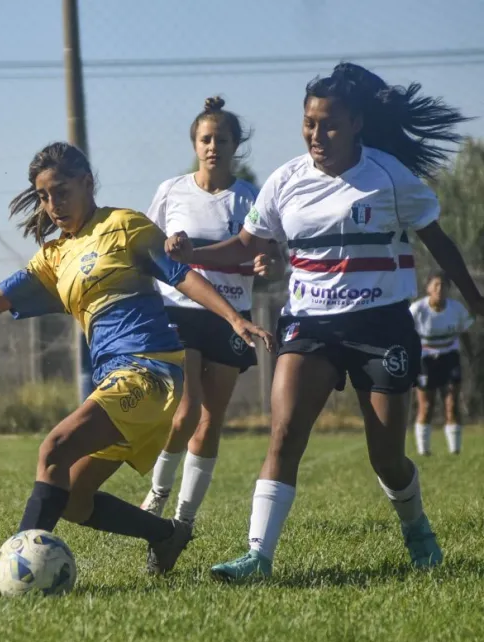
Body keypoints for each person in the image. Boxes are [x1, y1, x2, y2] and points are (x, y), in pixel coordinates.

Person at [0, 142, 274, 592]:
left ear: (87, 183)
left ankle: (3, 571)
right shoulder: (54, 256)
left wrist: (234, 317)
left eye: (60, 191)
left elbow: (181, 274)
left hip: (149, 371)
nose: (52, 204)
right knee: (74, 499)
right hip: (117, 380)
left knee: (54, 448)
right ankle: (166, 535)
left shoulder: (124, 225)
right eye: (43, 196)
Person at [165, 63, 479, 581]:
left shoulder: (390, 177)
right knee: (284, 434)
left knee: (387, 459)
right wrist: (193, 253)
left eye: (329, 123)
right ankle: (258, 557)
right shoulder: (286, 181)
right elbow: (248, 246)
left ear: (356, 123)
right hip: (310, 325)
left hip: (380, 327)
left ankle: (417, 526)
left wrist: (475, 298)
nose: (316, 134)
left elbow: (439, 243)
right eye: (309, 122)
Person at [139, 97, 265, 527]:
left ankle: (184, 519)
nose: (213, 146)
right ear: (195, 144)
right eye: (206, 139)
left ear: (236, 145)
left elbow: (268, 255)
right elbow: (149, 247)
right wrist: (169, 247)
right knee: (186, 410)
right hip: (181, 310)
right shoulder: (172, 190)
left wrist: (267, 264)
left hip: (232, 313)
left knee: (211, 420)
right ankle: (155, 496)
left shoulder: (250, 198)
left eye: (222, 139)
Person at [410, 272, 475, 455]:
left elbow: (465, 333)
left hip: (450, 357)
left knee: (452, 403)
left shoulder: (456, 309)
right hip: (425, 359)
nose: (440, 289)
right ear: (428, 288)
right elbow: (405, 335)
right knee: (427, 405)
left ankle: (455, 451)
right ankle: (424, 451)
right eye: (436, 285)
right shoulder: (417, 310)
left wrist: (470, 356)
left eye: (444, 285)